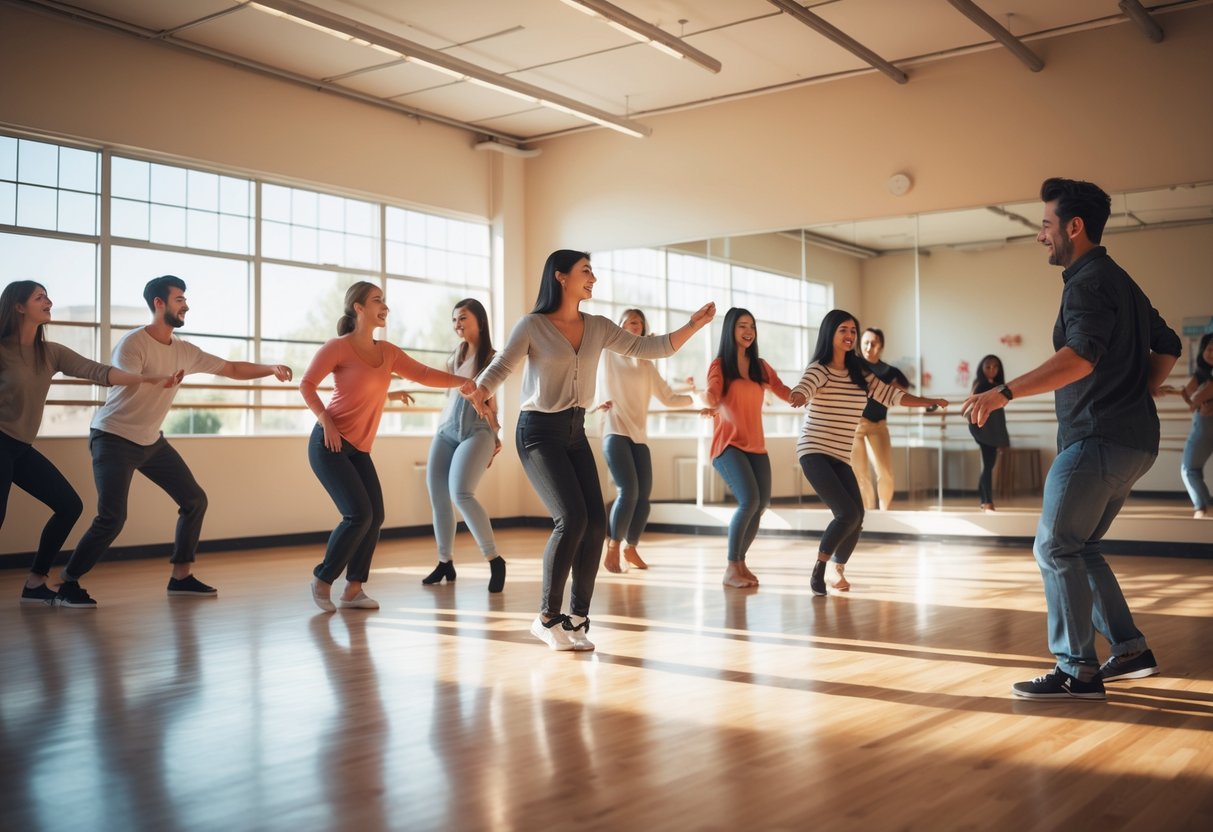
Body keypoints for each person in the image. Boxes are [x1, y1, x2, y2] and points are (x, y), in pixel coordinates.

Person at [964, 177, 1181, 701]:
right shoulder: (1120, 280)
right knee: (1079, 547)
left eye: (1046, 225)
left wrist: (1004, 392)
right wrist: (1140, 390)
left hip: (1096, 437)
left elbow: (1080, 356)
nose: (1043, 236)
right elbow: (1168, 343)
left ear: (1073, 227)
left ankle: (1076, 670)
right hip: (1133, 441)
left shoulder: (1086, 282)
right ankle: (1129, 650)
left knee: (1055, 546)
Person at [470, 250, 714, 651]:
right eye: (586, 271)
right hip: (537, 432)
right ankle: (547, 617)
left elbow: (655, 348)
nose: (594, 278)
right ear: (561, 277)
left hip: (575, 430)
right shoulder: (532, 325)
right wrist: (479, 390)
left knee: (597, 523)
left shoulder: (599, 327)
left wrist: (693, 324)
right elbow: (501, 367)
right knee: (571, 517)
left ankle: (578, 618)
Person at [55, 275, 294, 609]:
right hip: (113, 438)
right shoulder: (134, 344)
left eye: (184, 299)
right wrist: (157, 380)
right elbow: (126, 381)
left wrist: (270, 368)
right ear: (159, 303)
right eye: (179, 299)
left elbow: (231, 368)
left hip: (150, 442)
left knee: (194, 500)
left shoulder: (184, 350)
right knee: (112, 518)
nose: (186, 305)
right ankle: (67, 584)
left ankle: (181, 577)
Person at [300, 281, 476, 613]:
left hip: (358, 448)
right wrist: (326, 420)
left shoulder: (388, 352)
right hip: (329, 443)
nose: (385, 306)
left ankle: (353, 590)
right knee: (358, 514)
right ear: (358, 308)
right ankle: (322, 580)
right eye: (377, 300)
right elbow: (306, 384)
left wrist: (463, 382)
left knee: (375, 515)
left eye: (385, 301)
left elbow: (423, 373)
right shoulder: (338, 347)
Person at [1, 280, 180, 606]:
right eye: (40, 297)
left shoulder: (50, 352)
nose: (49, 302)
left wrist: (147, 378)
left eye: (48, 295)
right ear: (18, 306)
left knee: (69, 505)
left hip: (20, 447)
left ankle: (35, 583)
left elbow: (99, 372)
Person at [790, 309, 947, 596]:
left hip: (838, 454)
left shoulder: (860, 374)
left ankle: (837, 570)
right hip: (813, 450)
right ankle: (819, 567)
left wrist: (929, 401)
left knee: (858, 515)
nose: (850, 336)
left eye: (853, 330)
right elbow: (805, 387)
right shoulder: (819, 369)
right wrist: (799, 395)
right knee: (846, 512)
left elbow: (893, 395)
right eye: (843, 331)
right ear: (830, 334)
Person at [595, 308, 695, 573]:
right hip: (614, 429)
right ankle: (613, 546)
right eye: (627, 323)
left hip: (639, 435)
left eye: (637, 322)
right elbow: (588, 381)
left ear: (643, 328)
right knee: (628, 490)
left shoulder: (647, 364)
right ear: (619, 327)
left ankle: (631, 547)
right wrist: (594, 404)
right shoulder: (607, 353)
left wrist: (697, 400)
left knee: (644, 496)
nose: (632, 326)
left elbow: (669, 397)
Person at [419, 298, 506, 592]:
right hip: (446, 431)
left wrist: (495, 435)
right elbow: (450, 397)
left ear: (479, 321)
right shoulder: (453, 356)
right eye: (454, 319)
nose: (457, 324)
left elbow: (491, 404)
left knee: (461, 493)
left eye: (463, 318)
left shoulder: (493, 358)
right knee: (438, 496)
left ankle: (495, 559)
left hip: (477, 431)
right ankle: (445, 562)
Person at [704, 307, 792, 589]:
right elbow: (712, 392)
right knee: (749, 501)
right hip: (728, 445)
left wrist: (810, 391)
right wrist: (705, 401)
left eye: (752, 326)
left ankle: (740, 564)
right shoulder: (720, 365)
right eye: (742, 326)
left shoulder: (760, 367)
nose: (748, 331)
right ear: (731, 330)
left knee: (761, 504)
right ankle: (731, 567)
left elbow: (784, 391)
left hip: (755, 446)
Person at [850, 327, 910, 510]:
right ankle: (867, 511)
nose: (869, 347)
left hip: (879, 426)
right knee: (860, 473)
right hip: (855, 427)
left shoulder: (889, 371)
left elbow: (904, 393)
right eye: (866, 342)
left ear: (881, 346)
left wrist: (892, 389)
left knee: (885, 472)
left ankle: (885, 510)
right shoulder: (853, 366)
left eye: (873, 343)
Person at [969, 354, 1010, 512]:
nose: (992, 370)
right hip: (983, 430)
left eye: (995, 367)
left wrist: (1002, 438)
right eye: (988, 367)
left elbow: (1000, 417)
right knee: (987, 466)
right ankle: (988, 501)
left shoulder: (1000, 386)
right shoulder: (980, 385)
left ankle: (983, 500)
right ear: (982, 368)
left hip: (994, 431)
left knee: (988, 466)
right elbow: (973, 408)